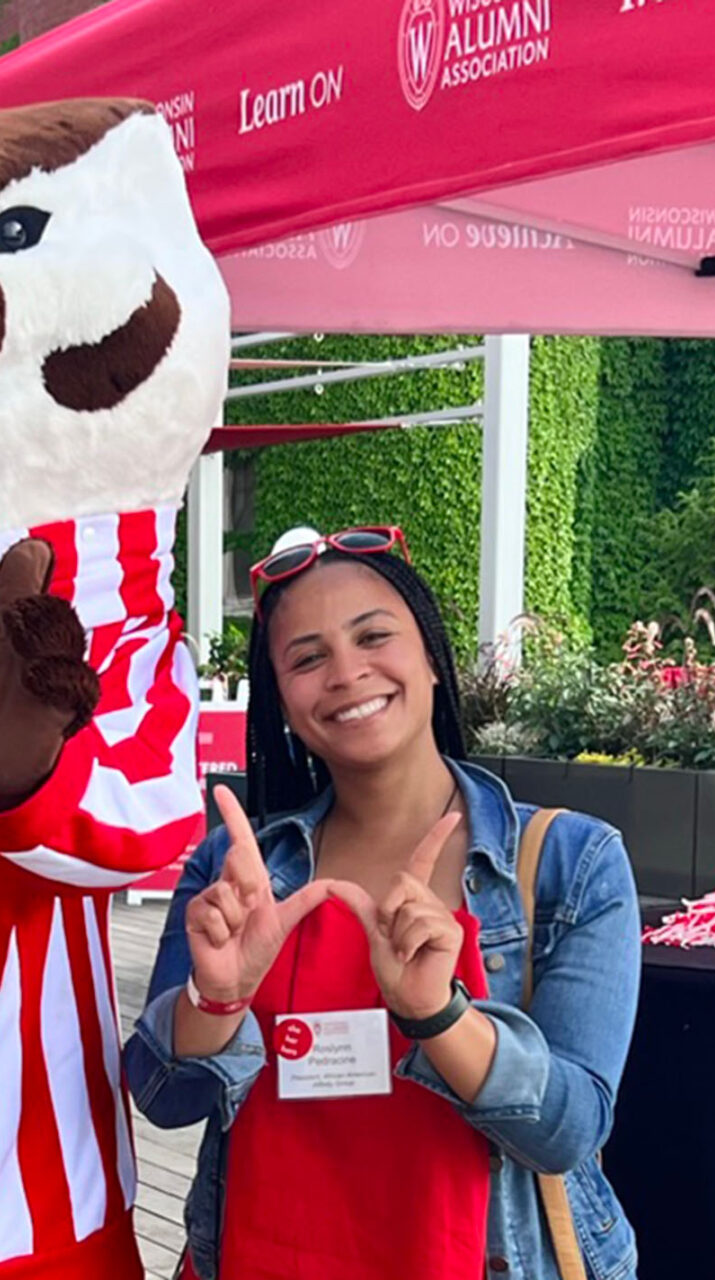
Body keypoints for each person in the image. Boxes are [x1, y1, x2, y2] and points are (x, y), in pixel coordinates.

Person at [126, 525, 642, 1280]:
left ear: (432, 659)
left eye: (374, 636)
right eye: (307, 658)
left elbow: (568, 1130)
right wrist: (216, 997)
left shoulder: (571, 864)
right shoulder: (236, 869)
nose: (346, 672)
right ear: (283, 702)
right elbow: (164, 1098)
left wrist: (440, 1015)